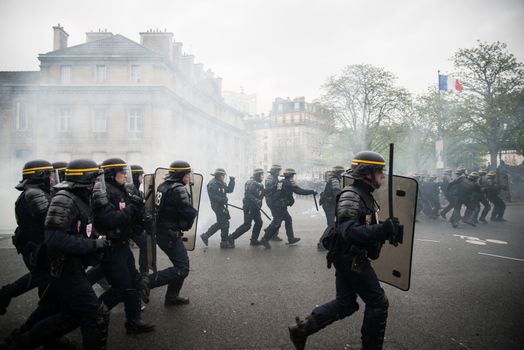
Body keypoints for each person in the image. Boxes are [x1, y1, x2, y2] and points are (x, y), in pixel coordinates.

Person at [288, 151, 401, 350]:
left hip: (347, 256)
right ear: (367, 172)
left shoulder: (364, 193)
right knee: (378, 302)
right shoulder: (351, 194)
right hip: (351, 257)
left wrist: (386, 229)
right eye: (380, 171)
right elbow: (349, 231)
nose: (382, 176)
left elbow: (364, 223)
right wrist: (381, 230)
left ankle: (302, 330)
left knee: (346, 303)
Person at [1, 159, 110, 350]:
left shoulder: (70, 197)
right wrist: (92, 243)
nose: (53, 178)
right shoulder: (44, 196)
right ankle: (17, 339)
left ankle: (32, 340)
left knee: (59, 306)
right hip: (52, 260)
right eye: (50, 174)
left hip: (57, 261)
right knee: (54, 304)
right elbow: (56, 233)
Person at [93, 158, 154, 334]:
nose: (125, 175)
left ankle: (133, 321)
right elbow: (109, 219)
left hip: (123, 244)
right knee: (122, 287)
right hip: (111, 247)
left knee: (133, 282)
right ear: (111, 174)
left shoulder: (123, 190)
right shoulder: (104, 194)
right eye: (122, 172)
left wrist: (144, 221)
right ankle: (92, 313)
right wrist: (132, 209)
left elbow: (131, 218)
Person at [0, 160, 54, 315]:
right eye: (49, 174)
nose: (52, 178)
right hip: (35, 248)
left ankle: (6, 294)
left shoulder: (36, 192)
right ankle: (32, 334)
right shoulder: (34, 194)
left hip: (35, 246)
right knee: (47, 285)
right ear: (40, 175)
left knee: (44, 282)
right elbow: (50, 220)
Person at [148, 161, 198, 306]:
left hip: (163, 232)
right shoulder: (178, 189)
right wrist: (191, 217)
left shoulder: (163, 186)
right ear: (181, 174)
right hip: (169, 234)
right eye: (187, 174)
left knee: (181, 265)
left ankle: (172, 297)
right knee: (182, 268)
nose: (188, 177)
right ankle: (145, 283)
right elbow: (187, 211)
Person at [260, 168, 317, 249]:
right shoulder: (289, 182)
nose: (293, 176)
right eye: (293, 175)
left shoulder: (281, 182)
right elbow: (299, 191)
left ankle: (291, 238)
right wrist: (311, 191)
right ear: (290, 175)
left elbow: (272, 189)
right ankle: (265, 239)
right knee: (276, 222)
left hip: (277, 204)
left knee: (288, 219)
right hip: (280, 205)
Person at [227, 168, 265, 247]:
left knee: (259, 222)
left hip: (255, 207)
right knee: (247, 225)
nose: (262, 176)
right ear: (257, 175)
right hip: (249, 207)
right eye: (261, 175)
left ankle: (254, 240)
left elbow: (261, 194)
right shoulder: (251, 183)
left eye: (262, 175)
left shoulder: (259, 183)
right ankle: (231, 237)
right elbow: (248, 194)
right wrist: (256, 200)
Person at [200, 168, 235, 248]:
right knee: (224, 223)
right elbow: (213, 196)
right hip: (217, 205)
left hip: (221, 205)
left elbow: (229, 190)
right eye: (222, 175)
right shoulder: (213, 184)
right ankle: (224, 242)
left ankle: (206, 235)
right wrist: (223, 199)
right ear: (218, 175)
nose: (223, 177)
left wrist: (232, 181)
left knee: (220, 223)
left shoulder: (221, 183)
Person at [317, 166, 344, 251]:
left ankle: (333, 242)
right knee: (331, 225)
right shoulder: (335, 180)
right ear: (338, 173)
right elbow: (337, 193)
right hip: (329, 204)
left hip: (331, 204)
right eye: (341, 173)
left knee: (336, 224)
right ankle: (322, 243)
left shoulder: (335, 179)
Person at [264, 165, 284, 241]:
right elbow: (268, 188)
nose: (279, 172)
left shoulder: (275, 178)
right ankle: (270, 231)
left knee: (277, 218)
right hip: (271, 200)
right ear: (274, 171)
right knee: (277, 218)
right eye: (278, 171)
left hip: (274, 199)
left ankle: (273, 233)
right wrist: (277, 185)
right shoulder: (270, 178)